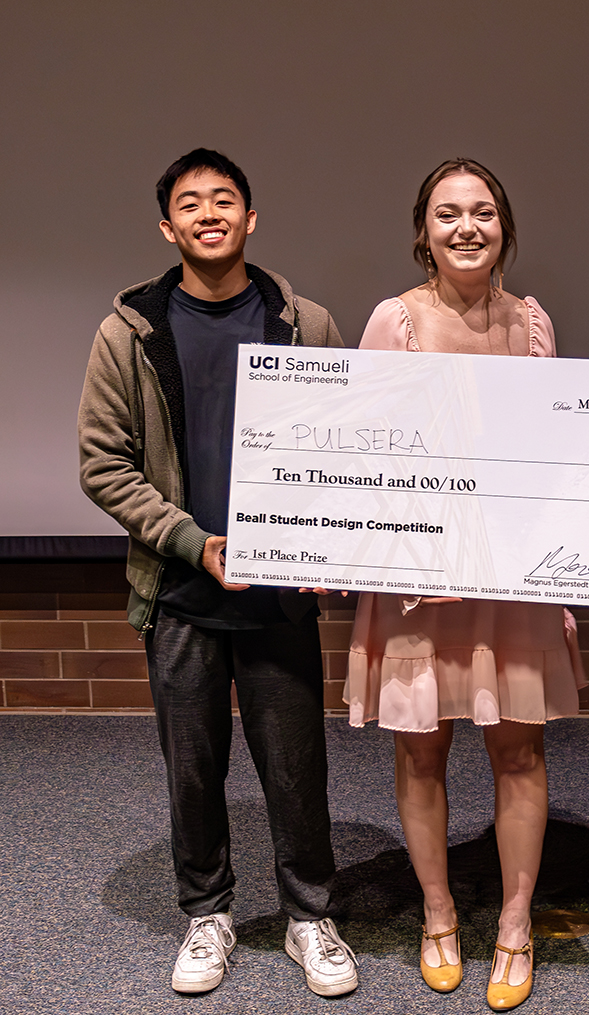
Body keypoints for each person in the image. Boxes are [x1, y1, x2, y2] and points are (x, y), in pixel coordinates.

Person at [77, 149, 358, 996]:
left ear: (250, 217)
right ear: (168, 226)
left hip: (280, 591)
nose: (209, 212)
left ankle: (311, 916)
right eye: (189, 203)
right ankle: (208, 912)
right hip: (180, 591)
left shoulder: (305, 323)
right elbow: (103, 462)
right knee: (192, 766)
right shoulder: (129, 328)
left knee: (295, 764)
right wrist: (194, 542)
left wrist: (345, 540)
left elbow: (352, 449)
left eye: (224, 199)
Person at [345, 158, 584, 1011]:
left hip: (508, 579)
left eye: (482, 212)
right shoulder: (394, 320)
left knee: (519, 747)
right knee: (422, 747)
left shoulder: (532, 322)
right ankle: (439, 915)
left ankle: (515, 922)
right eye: (448, 214)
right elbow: (362, 455)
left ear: (504, 225)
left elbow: (554, 458)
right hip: (419, 582)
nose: (466, 228)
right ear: (425, 229)